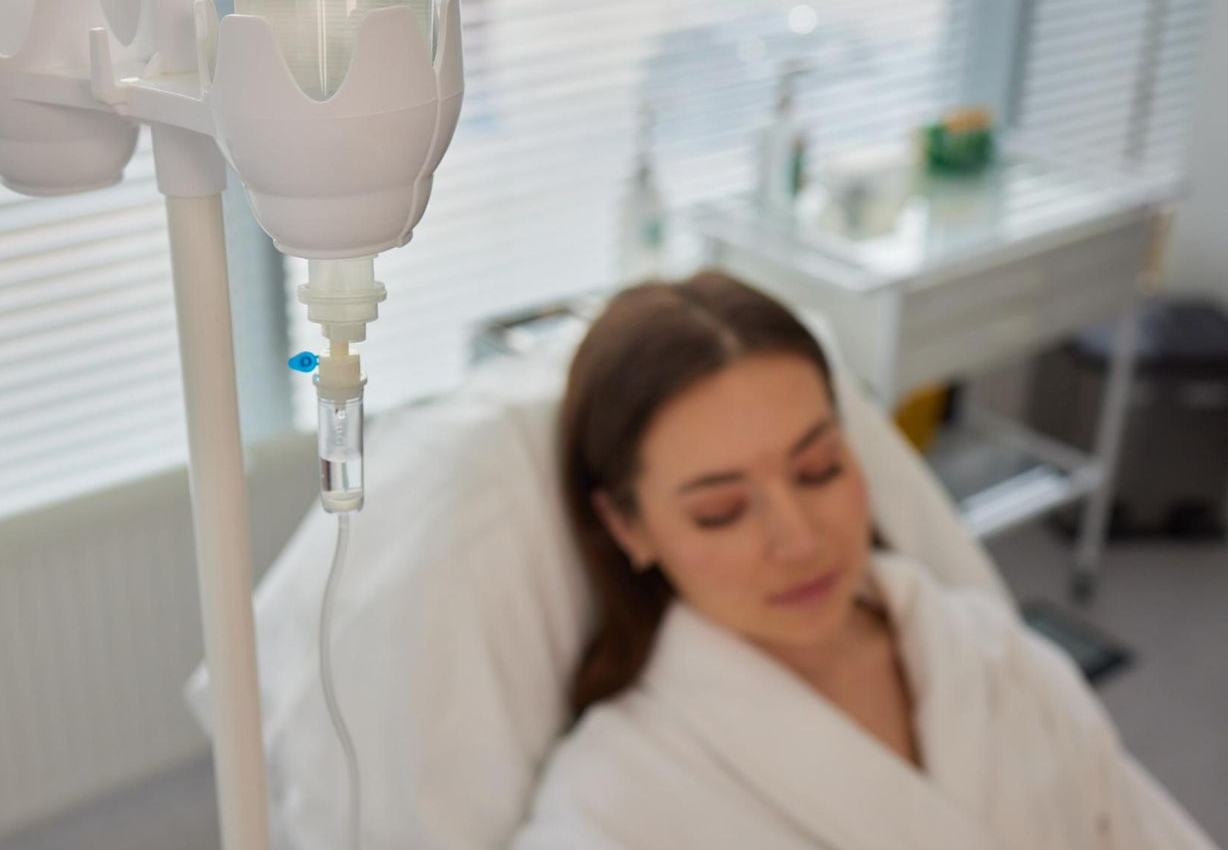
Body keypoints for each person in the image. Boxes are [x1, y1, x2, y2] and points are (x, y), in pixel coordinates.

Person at [512, 271, 1216, 850]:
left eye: (818, 469)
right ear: (626, 526)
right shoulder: (611, 801)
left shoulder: (990, 652)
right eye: (720, 511)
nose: (799, 540)